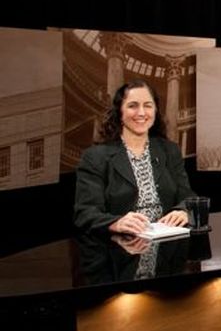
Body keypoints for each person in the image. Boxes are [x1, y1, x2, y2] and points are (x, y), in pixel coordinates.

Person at [74, 79, 193, 235]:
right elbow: (85, 213)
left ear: (156, 111)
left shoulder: (170, 151)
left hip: (165, 245)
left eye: (148, 105)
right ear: (119, 112)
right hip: (119, 248)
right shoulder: (95, 157)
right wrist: (115, 223)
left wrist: (183, 210)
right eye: (133, 106)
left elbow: (188, 196)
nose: (142, 113)